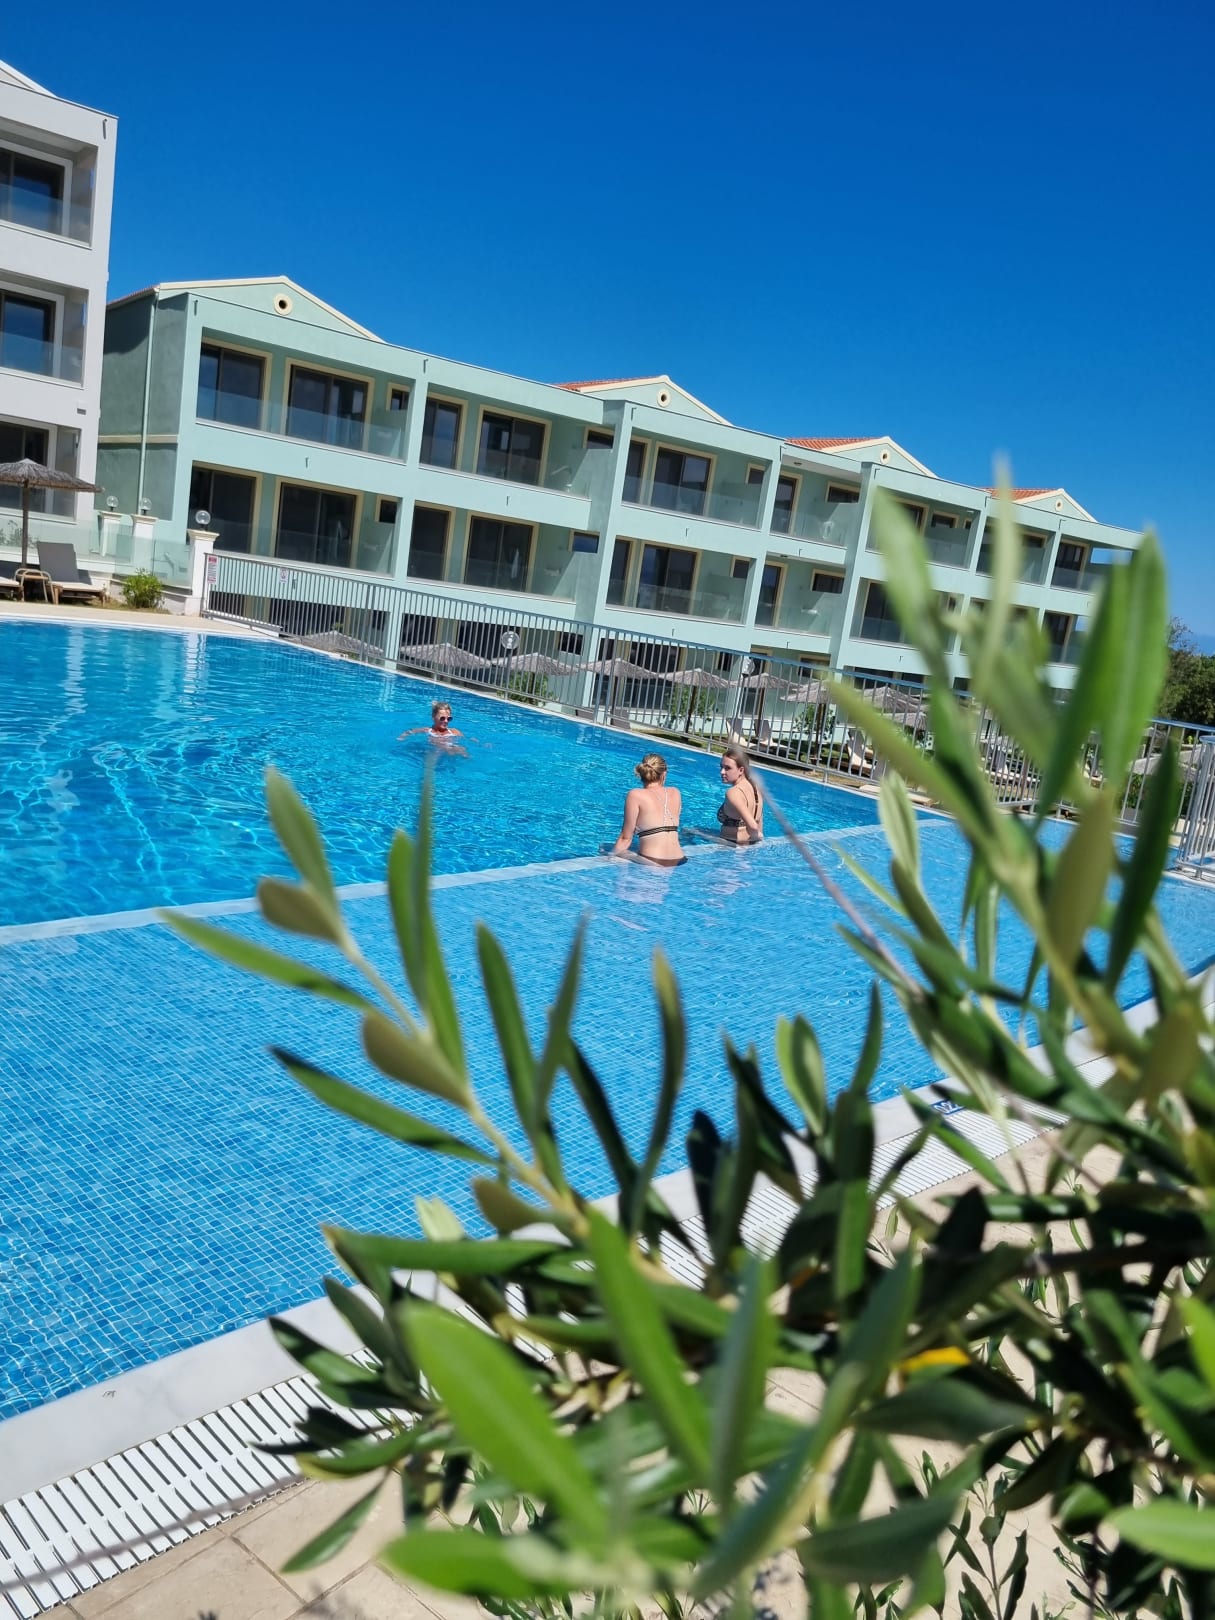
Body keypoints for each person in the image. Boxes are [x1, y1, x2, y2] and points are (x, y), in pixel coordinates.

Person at [611, 753, 686, 867]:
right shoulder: (675, 792)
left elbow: (625, 838)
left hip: (652, 861)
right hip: (680, 860)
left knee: (605, 848)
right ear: (664, 773)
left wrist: (609, 857)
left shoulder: (635, 795)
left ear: (642, 773)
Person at [716, 745, 763, 844]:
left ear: (741, 770)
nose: (722, 772)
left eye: (727, 768)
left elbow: (753, 826)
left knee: (688, 831)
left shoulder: (733, 792)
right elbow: (759, 822)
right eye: (721, 767)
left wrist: (756, 835)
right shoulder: (756, 788)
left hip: (731, 844)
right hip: (750, 844)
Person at [399, 700, 468, 755]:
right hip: (434, 752)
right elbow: (410, 731)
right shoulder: (428, 730)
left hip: (451, 750)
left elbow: (466, 739)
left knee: (460, 749)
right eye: (442, 718)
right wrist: (402, 737)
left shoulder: (454, 731)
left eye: (449, 718)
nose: (446, 721)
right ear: (433, 717)